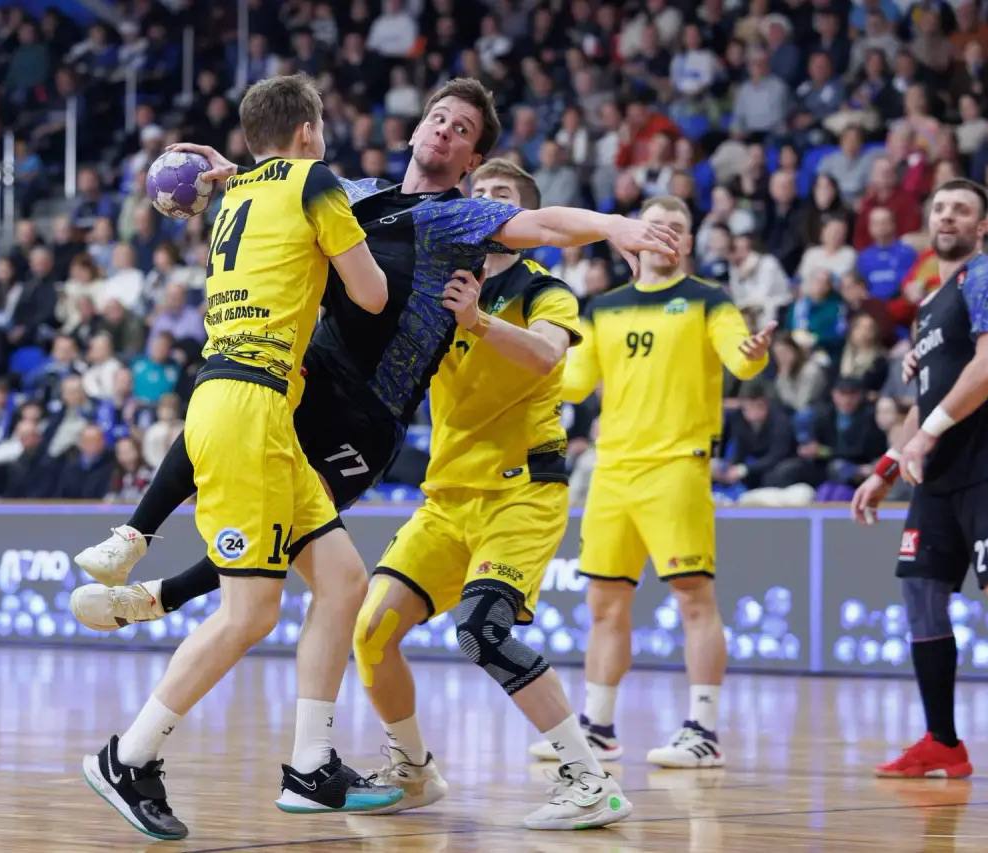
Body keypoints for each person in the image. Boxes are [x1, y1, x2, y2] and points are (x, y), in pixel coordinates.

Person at [70, 75, 676, 612]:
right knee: (228, 399)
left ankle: (159, 598)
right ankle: (132, 536)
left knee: (290, 526)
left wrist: (612, 225)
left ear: (471, 161)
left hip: (370, 413)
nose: (445, 131)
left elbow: (544, 224)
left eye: (461, 130)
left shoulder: (461, 218)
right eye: (438, 118)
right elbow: (290, 187)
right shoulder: (352, 193)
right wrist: (240, 169)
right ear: (415, 130)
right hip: (309, 369)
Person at [80, 74, 397, 843]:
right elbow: (373, 294)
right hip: (248, 408)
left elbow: (269, 207)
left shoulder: (233, 195)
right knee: (248, 611)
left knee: (343, 581)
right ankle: (129, 756)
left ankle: (311, 765)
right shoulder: (315, 183)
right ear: (309, 131)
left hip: (251, 407)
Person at [352, 160, 628, 829]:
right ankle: (413, 769)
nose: (484, 203)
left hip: (522, 489)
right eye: (478, 195)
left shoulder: (543, 288)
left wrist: (476, 321)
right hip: (447, 496)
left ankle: (591, 781)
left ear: (522, 219)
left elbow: (547, 356)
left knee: (482, 630)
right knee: (371, 631)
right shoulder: (437, 282)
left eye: (501, 198)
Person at [529, 195, 772, 770]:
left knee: (693, 598)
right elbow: (575, 382)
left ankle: (703, 731)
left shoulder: (709, 300)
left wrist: (754, 353)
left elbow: (741, 361)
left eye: (676, 228)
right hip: (613, 471)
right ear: (634, 236)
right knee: (604, 604)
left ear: (686, 242)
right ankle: (597, 727)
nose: (664, 234)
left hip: (677, 468)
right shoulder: (603, 308)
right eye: (654, 226)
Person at [852, 178, 988, 779]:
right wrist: (887, 467)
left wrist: (928, 434)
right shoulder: (930, 307)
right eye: (939, 208)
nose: (947, 216)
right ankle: (942, 742)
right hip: (938, 474)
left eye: (961, 210)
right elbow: (927, 400)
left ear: (982, 226)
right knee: (921, 594)